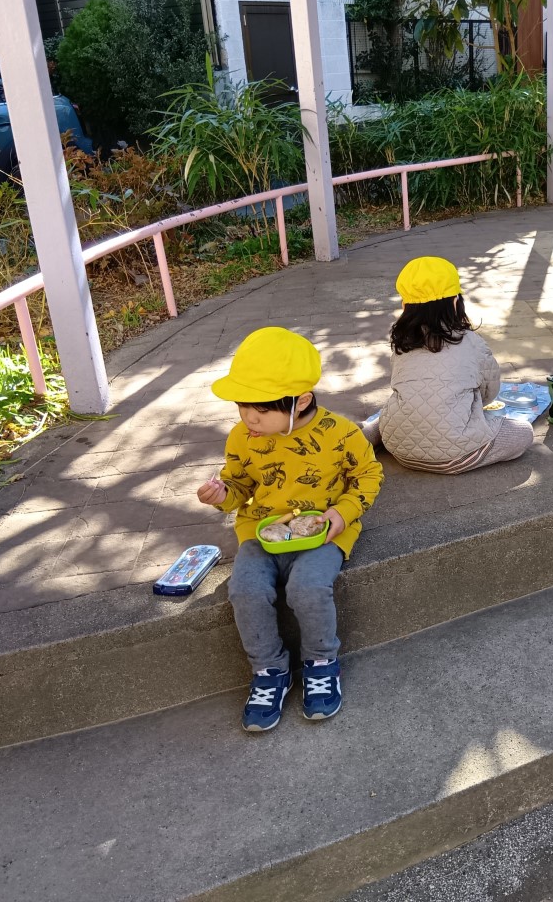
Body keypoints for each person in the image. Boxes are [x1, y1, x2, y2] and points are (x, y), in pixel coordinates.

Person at [197, 327, 383, 732]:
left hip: (323, 531)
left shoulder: (342, 434)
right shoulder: (243, 438)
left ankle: (320, 661)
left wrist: (342, 513)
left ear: (300, 401)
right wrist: (221, 495)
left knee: (307, 588)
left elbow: (369, 475)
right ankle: (269, 671)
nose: (250, 417)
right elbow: (240, 487)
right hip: (261, 532)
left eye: (261, 409)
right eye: (242, 406)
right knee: (245, 589)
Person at [361, 256, 534, 474]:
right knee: (523, 432)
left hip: (399, 449)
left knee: (396, 411)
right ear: (455, 302)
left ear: (405, 306)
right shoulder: (471, 341)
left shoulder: (401, 342)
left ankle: (365, 435)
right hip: (457, 456)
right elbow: (490, 390)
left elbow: (400, 383)